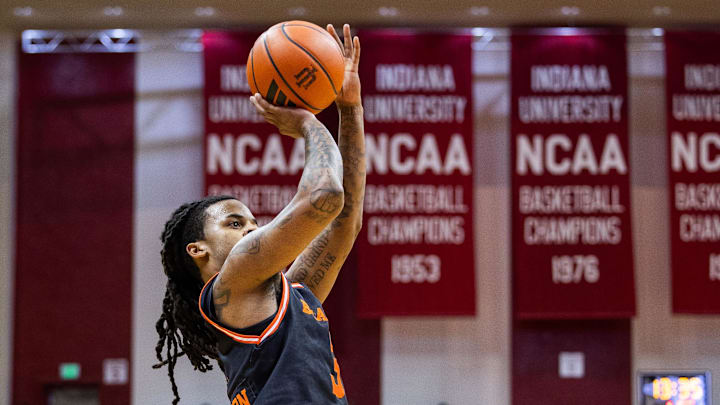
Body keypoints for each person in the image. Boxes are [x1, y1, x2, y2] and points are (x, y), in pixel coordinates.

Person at [153, 23, 365, 405]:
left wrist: (350, 109)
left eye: (253, 222)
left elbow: (344, 216)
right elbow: (325, 196)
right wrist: (307, 122)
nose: (252, 229)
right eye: (235, 223)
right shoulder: (231, 283)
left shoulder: (288, 295)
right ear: (197, 249)